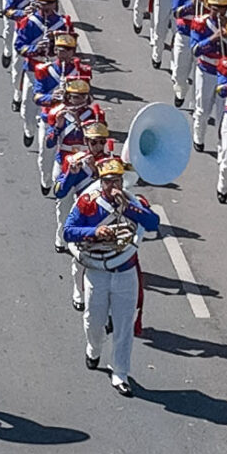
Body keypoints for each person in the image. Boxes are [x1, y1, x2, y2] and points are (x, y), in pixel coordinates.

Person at [62, 155, 160, 394]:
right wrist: (95, 231)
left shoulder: (133, 202)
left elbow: (153, 222)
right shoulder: (88, 203)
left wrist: (129, 207)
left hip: (125, 271)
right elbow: (68, 231)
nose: (113, 186)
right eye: (108, 181)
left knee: (124, 325)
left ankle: (120, 373)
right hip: (97, 270)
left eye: (117, 180)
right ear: (101, 181)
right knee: (94, 321)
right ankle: (93, 349)